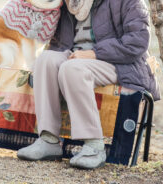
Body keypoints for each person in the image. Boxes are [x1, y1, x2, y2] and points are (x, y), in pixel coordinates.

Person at [17, 0, 160, 169]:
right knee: (45, 60)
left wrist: (93, 53)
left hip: (120, 63)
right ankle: (48, 140)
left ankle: (94, 147)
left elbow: (138, 42)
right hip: (75, 56)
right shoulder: (67, 3)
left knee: (72, 69)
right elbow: (46, 35)